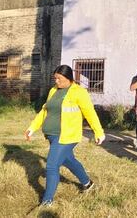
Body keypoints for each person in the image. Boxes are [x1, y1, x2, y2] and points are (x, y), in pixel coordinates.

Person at [25, 65, 105, 207]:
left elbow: (90, 113)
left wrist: (98, 132)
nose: (56, 81)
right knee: (68, 160)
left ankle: (47, 201)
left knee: (51, 165)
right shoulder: (53, 91)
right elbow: (45, 111)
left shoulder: (79, 92)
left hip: (67, 136)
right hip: (52, 135)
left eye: (59, 78)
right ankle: (87, 183)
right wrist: (32, 128)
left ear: (69, 78)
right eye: (55, 78)